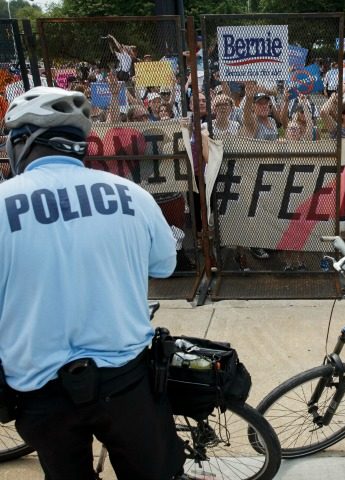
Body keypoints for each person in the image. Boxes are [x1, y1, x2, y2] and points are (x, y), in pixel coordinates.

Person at [0, 87, 185, 478]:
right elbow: (165, 265)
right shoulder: (133, 195)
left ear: (22, 142)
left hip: (40, 390)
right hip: (126, 381)